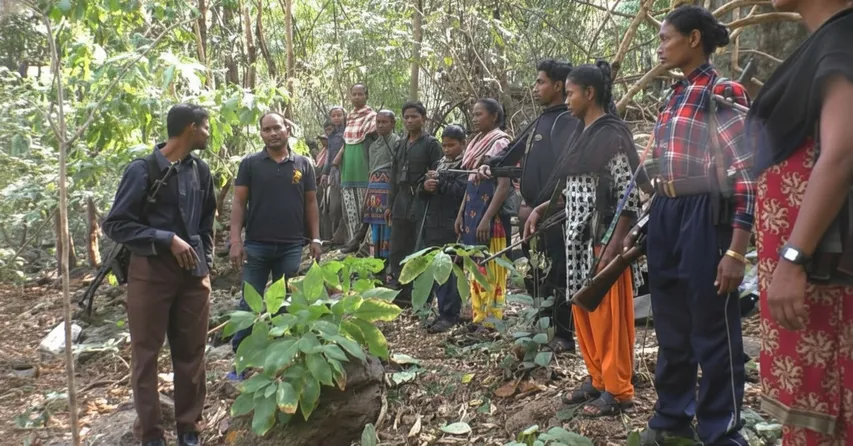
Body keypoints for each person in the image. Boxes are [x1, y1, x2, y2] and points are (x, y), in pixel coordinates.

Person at [632, 5, 754, 445]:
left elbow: (746, 173)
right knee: (671, 323)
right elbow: (657, 163)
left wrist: (736, 249)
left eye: (666, 38)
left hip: (705, 214)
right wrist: (651, 182)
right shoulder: (674, 96)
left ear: (694, 39)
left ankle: (722, 430)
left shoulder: (723, 91)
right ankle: (672, 416)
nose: (660, 47)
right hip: (666, 213)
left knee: (712, 326)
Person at [748, 2, 853, 444]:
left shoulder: (843, 38)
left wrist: (794, 257)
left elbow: (842, 151)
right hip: (810, 272)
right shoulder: (825, 41)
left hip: (822, 275)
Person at [526, 61, 645, 417]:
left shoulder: (612, 135)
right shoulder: (583, 133)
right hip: (577, 243)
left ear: (589, 94)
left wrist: (613, 245)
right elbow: (576, 188)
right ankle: (597, 378)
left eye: (571, 93)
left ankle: (618, 390)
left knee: (609, 318)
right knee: (583, 311)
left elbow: (628, 195)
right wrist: (542, 209)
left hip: (602, 242)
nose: (566, 100)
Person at [102, 104, 216, 446]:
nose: (209, 133)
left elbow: (207, 220)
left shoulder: (201, 171)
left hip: (194, 275)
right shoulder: (142, 169)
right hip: (150, 272)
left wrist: (206, 260)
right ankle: (151, 435)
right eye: (206, 127)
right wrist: (166, 239)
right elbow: (116, 224)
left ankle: (189, 430)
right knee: (146, 355)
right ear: (191, 127)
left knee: (192, 353)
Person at [482, 59, 581, 352]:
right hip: (534, 215)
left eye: (540, 82)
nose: (535, 88)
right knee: (536, 272)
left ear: (558, 86)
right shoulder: (540, 120)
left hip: (557, 213)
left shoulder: (566, 121)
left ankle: (563, 335)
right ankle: (542, 326)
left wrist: (551, 203)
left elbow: (568, 169)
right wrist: (490, 165)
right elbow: (510, 154)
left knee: (559, 272)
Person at [227, 112, 322, 373]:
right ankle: (240, 362)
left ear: (287, 130)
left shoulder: (303, 164)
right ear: (261, 134)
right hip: (256, 245)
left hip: (291, 246)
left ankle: (282, 361)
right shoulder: (250, 164)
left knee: (285, 303)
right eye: (266, 129)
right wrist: (235, 241)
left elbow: (311, 202)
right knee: (249, 303)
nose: (272, 133)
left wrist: (315, 237)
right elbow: (239, 202)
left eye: (276, 128)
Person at [456, 98, 512, 329]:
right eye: (473, 114)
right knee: (475, 265)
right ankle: (478, 315)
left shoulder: (500, 142)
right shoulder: (476, 143)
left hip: (491, 217)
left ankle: (492, 319)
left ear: (494, 116)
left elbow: (503, 186)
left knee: (490, 265)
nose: (475, 119)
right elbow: (470, 181)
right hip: (472, 211)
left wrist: (487, 218)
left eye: (479, 114)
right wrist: (461, 214)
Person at [388, 101, 443, 303]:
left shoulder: (431, 144)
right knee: (398, 245)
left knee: (418, 245)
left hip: (421, 201)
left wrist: (426, 187)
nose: (410, 120)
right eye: (406, 117)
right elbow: (393, 176)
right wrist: (389, 205)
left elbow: (439, 173)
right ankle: (400, 289)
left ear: (423, 118)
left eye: (414, 116)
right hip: (400, 201)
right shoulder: (400, 144)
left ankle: (420, 294)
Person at [422, 124, 468, 333]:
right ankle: (441, 311)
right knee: (437, 268)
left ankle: (450, 314)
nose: (447, 149)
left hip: (453, 223)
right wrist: (426, 186)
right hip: (434, 223)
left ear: (463, 143)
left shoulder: (466, 165)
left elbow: (461, 192)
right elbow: (425, 191)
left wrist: (440, 181)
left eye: (452, 145)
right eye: (445, 145)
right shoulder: (438, 164)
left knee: (451, 269)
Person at [333, 84, 377, 254]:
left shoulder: (373, 117)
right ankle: (352, 242)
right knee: (350, 208)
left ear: (366, 96)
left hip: (363, 166)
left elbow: (374, 144)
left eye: (360, 94)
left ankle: (366, 246)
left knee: (365, 208)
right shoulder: (349, 117)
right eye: (354, 94)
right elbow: (345, 143)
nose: (357, 97)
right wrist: (336, 162)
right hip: (348, 168)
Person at [364, 110, 400, 265]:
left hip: (388, 190)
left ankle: (388, 262)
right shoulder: (373, 146)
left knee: (388, 226)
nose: (380, 125)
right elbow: (371, 169)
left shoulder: (397, 142)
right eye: (378, 122)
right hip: (373, 190)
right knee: (376, 228)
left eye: (384, 122)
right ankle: (377, 262)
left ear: (393, 124)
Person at [320, 107, 348, 246]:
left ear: (344, 116)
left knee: (346, 205)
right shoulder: (331, 136)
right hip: (334, 172)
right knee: (334, 207)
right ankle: (335, 238)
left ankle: (346, 238)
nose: (336, 118)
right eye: (334, 116)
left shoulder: (348, 131)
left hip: (347, 170)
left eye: (339, 115)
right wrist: (325, 173)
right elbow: (329, 155)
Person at [316, 131, 332, 240]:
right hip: (319, 185)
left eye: (324, 139)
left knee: (328, 209)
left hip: (328, 183)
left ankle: (328, 236)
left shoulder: (331, 152)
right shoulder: (322, 153)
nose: (322, 141)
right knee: (320, 211)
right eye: (321, 139)